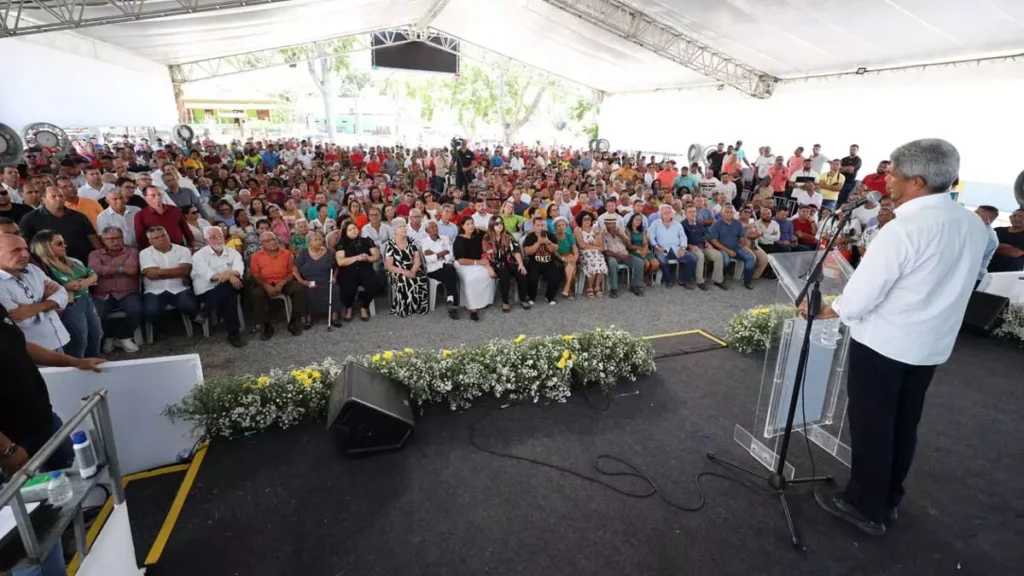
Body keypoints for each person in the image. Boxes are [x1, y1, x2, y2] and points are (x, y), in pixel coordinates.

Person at [805, 139, 989, 536]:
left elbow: (865, 291)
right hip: (930, 345)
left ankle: (865, 506)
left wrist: (828, 311)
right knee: (904, 424)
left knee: (872, 424)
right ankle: (889, 499)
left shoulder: (903, 228)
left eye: (894, 173)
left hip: (885, 344)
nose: (885, 178)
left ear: (917, 181)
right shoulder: (973, 224)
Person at [0, 300, 104, 576]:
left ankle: (65, 538)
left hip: (42, 424)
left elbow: (19, 346)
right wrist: (6, 449)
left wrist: (73, 361)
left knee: (60, 500)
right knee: (24, 540)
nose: (25, 254)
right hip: (11, 447)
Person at [31, 230, 103, 358]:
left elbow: (92, 274)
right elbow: (48, 289)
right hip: (70, 304)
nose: (64, 246)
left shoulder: (71, 261)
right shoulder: (43, 267)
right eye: (59, 243)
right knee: (80, 339)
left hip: (86, 300)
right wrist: (66, 287)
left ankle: (94, 362)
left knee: (96, 333)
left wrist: (84, 282)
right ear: (45, 246)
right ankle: (76, 367)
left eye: (64, 242)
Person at [0, 233, 71, 352]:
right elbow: (20, 321)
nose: (25, 254)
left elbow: (63, 295)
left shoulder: (32, 270)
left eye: (26, 249)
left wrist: (39, 306)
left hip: (58, 340)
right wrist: (47, 301)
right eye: (16, 250)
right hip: (31, 351)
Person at [89, 226, 142, 353]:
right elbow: (93, 269)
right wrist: (121, 269)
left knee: (136, 309)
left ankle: (124, 336)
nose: (116, 241)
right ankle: (108, 337)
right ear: (103, 240)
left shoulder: (132, 252)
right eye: (111, 239)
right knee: (96, 314)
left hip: (128, 292)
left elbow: (132, 269)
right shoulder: (94, 254)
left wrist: (105, 269)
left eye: (119, 238)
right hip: (101, 294)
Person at [191, 226, 246, 348]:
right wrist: (230, 276)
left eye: (220, 236)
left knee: (229, 289)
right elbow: (208, 275)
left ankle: (206, 309)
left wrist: (229, 275)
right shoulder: (199, 255)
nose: (218, 239)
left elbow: (239, 270)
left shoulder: (233, 253)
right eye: (213, 237)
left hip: (230, 286)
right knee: (229, 294)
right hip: (206, 289)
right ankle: (233, 333)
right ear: (206, 240)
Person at [140, 226, 199, 339]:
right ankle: (161, 330)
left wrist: (159, 272)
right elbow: (151, 275)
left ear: (168, 235)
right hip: (154, 290)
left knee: (190, 306)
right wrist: (177, 271)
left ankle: (192, 324)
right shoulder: (145, 253)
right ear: (150, 241)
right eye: (156, 238)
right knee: (151, 311)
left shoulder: (183, 250)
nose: (161, 239)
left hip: (179, 287)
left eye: (163, 235)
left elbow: (185, 271)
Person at [20, 186, 101, 263]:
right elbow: (24, 241)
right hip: (49, 264)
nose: (58, 199)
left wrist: (100, 255)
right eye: (53, 196)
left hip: (82, 260)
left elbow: (92, 236)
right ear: (43, 199)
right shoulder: (30, 218)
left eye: (61, 196)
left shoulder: (78, 216)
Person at [250, 231, 306, 338]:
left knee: (299, 289)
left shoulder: (286, 254)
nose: (272, 242)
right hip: (264, 283)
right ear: (262, 243)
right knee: (257, 294)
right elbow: (255, 275)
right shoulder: (256, 256)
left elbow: (291, 273)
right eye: (268, 241)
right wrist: (266, 286)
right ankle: (267, 326)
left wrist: (282, 283)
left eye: (273, 239)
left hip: (283, 281)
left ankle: (293, 322)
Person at [336, 221, 383, 322]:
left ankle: (364, 307)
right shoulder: (342, 243)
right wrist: (357, 258)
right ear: (345, 232)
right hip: (348, 271)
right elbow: (340, 262)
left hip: (365, 269)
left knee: (374, 284)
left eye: (354, 228)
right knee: (348, 288)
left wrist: (367, 258)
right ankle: (349, 307)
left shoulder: (367, 240)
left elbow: (376, 256)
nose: (353, 231)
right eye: (350, 229)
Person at [292, 230, 340, 328]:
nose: (319, 242)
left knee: (335, 288)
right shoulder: (304, 253)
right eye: (315, 240)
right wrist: (301, 281)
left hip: (326, 280)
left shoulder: (328, 252)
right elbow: (295, 268)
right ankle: (308, 318)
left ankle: (334, 317)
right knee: (305, 291)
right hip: (309, 281)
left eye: (320, 239)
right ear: (309, 242)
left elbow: (336, 268)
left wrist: (334, 277)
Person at [383, 219, 429, 317]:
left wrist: (413, 270)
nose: (404, 228)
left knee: (421, 277)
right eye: (400, 227)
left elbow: (417, 259)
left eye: (404, 226)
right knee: (404, 279)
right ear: (395, 230)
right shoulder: (390, 245)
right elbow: (389, 266)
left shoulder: (411, 241)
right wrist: (404, 272)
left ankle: (419, 307)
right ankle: (406, 308)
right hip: (396, 270)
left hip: (412, 267)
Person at [647, 204, 697, 288]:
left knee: (692, 259)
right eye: (665, 213)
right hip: (661, 249)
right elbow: (650, 237)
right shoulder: (655, 223)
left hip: (676, 248)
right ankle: (669, 280)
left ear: (672, 213)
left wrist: (683, 247)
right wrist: (656, 246)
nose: (667, 214)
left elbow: (683, 237)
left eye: (669, 212)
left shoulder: (677, 224)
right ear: (661, 214)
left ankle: (684, 280)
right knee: (663, 262)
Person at [485, 216, 530, 311]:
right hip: (496, 263)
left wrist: (521, 264)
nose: (500, 225)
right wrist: (489, 267)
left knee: (521, 273)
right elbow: (484, 254)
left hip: (510, 261)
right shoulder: (487, 238)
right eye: (497, 223)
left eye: (501, 223)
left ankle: (523, 299)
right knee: (505, 277)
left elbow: (516, 250)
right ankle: (505, 302)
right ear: (492, 224)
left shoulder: (508, 235)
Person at [453, 216, 493, 321]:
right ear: (462, 226)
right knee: (471, 279)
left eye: (472, 223)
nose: (471, 226)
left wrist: (479, 228)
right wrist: (477, 262)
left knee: (488, 275)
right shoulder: (459, 240)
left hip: (477, 263)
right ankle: (472, 308)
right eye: (468, 224)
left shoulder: (477, 237)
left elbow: (489, 232)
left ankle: (484, 301)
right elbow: (460, 260)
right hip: (464, 264)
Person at [419, 220, 460, 318]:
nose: (435, 229)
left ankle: (451, 302)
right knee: (451, 274)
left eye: (436, 226)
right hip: (434, 270)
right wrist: (443, 252)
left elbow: (450, 256)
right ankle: (452, 302)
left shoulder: (445, 238)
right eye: (432, 227)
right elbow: (428, 260)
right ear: (427, 231)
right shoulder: (424, 241)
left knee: (449, 270)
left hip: (446, 265)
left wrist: (434, 253)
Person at [708, 204, 756, 289]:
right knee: (725, 259)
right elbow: (714, 241)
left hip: (736, 247)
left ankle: (747, 281)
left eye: (731, 212)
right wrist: (728, 250)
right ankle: (721, 279)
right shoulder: (716, 224)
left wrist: (745, 246)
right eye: (727, 212)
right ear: (722, 213)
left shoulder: (737, 224)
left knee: (750, 257)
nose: (729, 214)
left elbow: (742, 237)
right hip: (721, 248)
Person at [521, 214, 561, 305]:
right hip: (534, 262)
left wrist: (548, 242)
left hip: (549, 262)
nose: (540, 227)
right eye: (538, 225)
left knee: (556, 278)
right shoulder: (530, 237)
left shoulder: (550, 235)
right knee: (532, 278)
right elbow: (528, 252)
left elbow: (555, 249)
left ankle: (549, 297)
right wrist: (538, 243)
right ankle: (532, 297)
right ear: (534, 226)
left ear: (545, 226)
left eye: (542, 225)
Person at [601, 214, 642, 298]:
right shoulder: (602, 233)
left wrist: (620, 235)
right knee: (612, 263)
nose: (612, 225)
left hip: (624, 254)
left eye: (613, 223)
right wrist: (619, 255)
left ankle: (635, 286)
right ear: (605, 224)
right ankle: (614, 289)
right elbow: (605, 251)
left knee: (639, 262)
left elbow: (628, 245)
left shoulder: (620, 230)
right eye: (609, 223)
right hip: (612, 255)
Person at [681, 205, 720, 290]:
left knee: (718, 255)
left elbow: (704, 235)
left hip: (702, 245)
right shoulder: (682, 225)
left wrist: (707, 242)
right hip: (690, 247)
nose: (692, 214)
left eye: (694, 211)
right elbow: (681, 240)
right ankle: (700, 281)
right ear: (685, 213)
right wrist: (690, 246)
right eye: (690, 212)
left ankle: (718, 279)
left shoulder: (699, 223)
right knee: (700, 256)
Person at [574, 212, 608, 298]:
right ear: (581, 220)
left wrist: (597, 234)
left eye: (589, 219)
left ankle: (597, 287)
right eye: (585, 219)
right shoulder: (578, 230)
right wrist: (595, 248)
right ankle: (589, 287)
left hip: (596, 253)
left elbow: (599, 244)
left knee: (601, 264)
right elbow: (582, 245)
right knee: (592, 263)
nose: (587, 221)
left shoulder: (595, 229)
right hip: (584, 253)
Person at [626, 213, 659, 289]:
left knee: (656, 264)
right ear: (632, 220)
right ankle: (640, 280)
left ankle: (645, 277)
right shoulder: (628, 230)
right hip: (634, 250)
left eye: (640, 220)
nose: (638, 221)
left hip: (644, 250)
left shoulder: (642, 231)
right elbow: (629, 245)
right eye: (636, 219)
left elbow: (645, 242)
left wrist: (645, 249)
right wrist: (641, 249)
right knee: (646, 264)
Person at [550, 217, 579, 299]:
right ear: (555, 227)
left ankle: (567, 288)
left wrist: (575, 258)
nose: (561, 227)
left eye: (563, 225)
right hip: (558, 258)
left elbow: (575, 249)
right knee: (571, 268)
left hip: (570, 256)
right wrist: (563, 259)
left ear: (566, 226)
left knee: (570, 264)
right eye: (559, 226)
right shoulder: (553, 236)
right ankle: (568, 289)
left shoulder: (569, 235)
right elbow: (554, 252)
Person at [988, 208, 1024, 273]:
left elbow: (1013, 253)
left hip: (1009, 274)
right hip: (987, 269)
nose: (1017, 218)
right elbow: (983, 244)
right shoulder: (997, 230)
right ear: (1010, 217)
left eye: (1021, 217)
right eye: (1015, 215)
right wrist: (1003, 247)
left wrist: (993, 246)